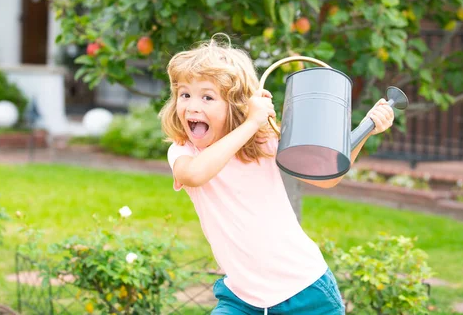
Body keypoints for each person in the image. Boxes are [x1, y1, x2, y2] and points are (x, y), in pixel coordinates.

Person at [158, 35, 395, 315]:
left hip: (306, 291)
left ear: (237, 104)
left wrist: (366, 130)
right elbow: (195, 175)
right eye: (185, 94)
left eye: (207, 97)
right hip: (242, 298)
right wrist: (251, 122)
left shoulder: (263, 140)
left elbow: (326, 176)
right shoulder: (183, 152)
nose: (193, 106)